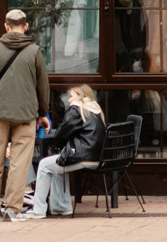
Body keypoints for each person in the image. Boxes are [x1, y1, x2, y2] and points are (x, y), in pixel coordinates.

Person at [0, 8, 50, 222]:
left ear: (6, 26)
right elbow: (42, 86)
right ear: (26, 26)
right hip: (26, 114)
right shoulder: (34, 52)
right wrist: (42, 113)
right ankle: (12, 210)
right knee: (19, 163)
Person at [23, 84, 106, 219]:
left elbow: (62, 134)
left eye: (71, 96)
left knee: (44, 165)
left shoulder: (76, 109)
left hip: (81, 157)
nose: (69, 100)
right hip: (96, 158)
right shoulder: (95, 110)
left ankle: (38, 210)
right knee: (57, 163)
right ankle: (61, 207)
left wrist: (58, 145)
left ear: (80, 96)